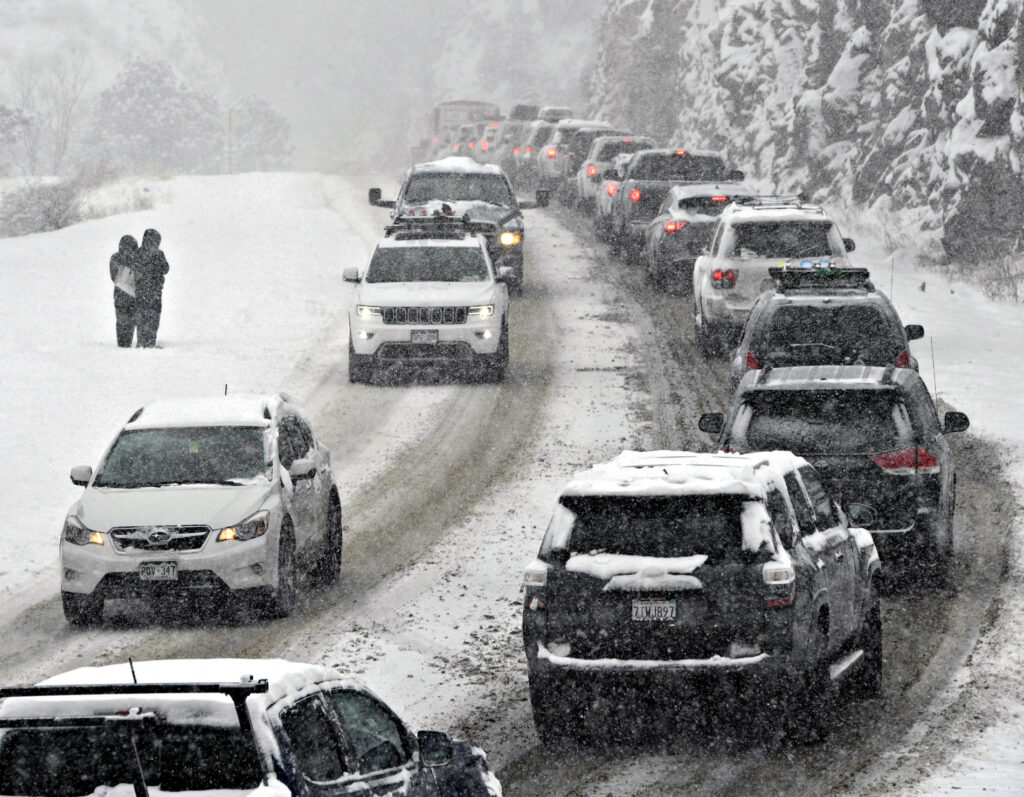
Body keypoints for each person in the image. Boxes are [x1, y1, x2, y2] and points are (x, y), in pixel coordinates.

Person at [134, 228, 169, 348]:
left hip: (141, 291)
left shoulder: (137, 253)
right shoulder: (158, 253)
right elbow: (166, 269)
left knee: (142, 317)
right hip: (153, 292)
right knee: (153, 317)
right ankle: (150, 342)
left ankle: (142, 341)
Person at [109, 235, 138, 347]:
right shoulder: (135, 258)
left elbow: (114, 276)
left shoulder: (115, 257)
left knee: (123, 320)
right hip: (130, 294)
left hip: (120, 294)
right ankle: (124, 343)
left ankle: (123, 344)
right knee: (127, 319)